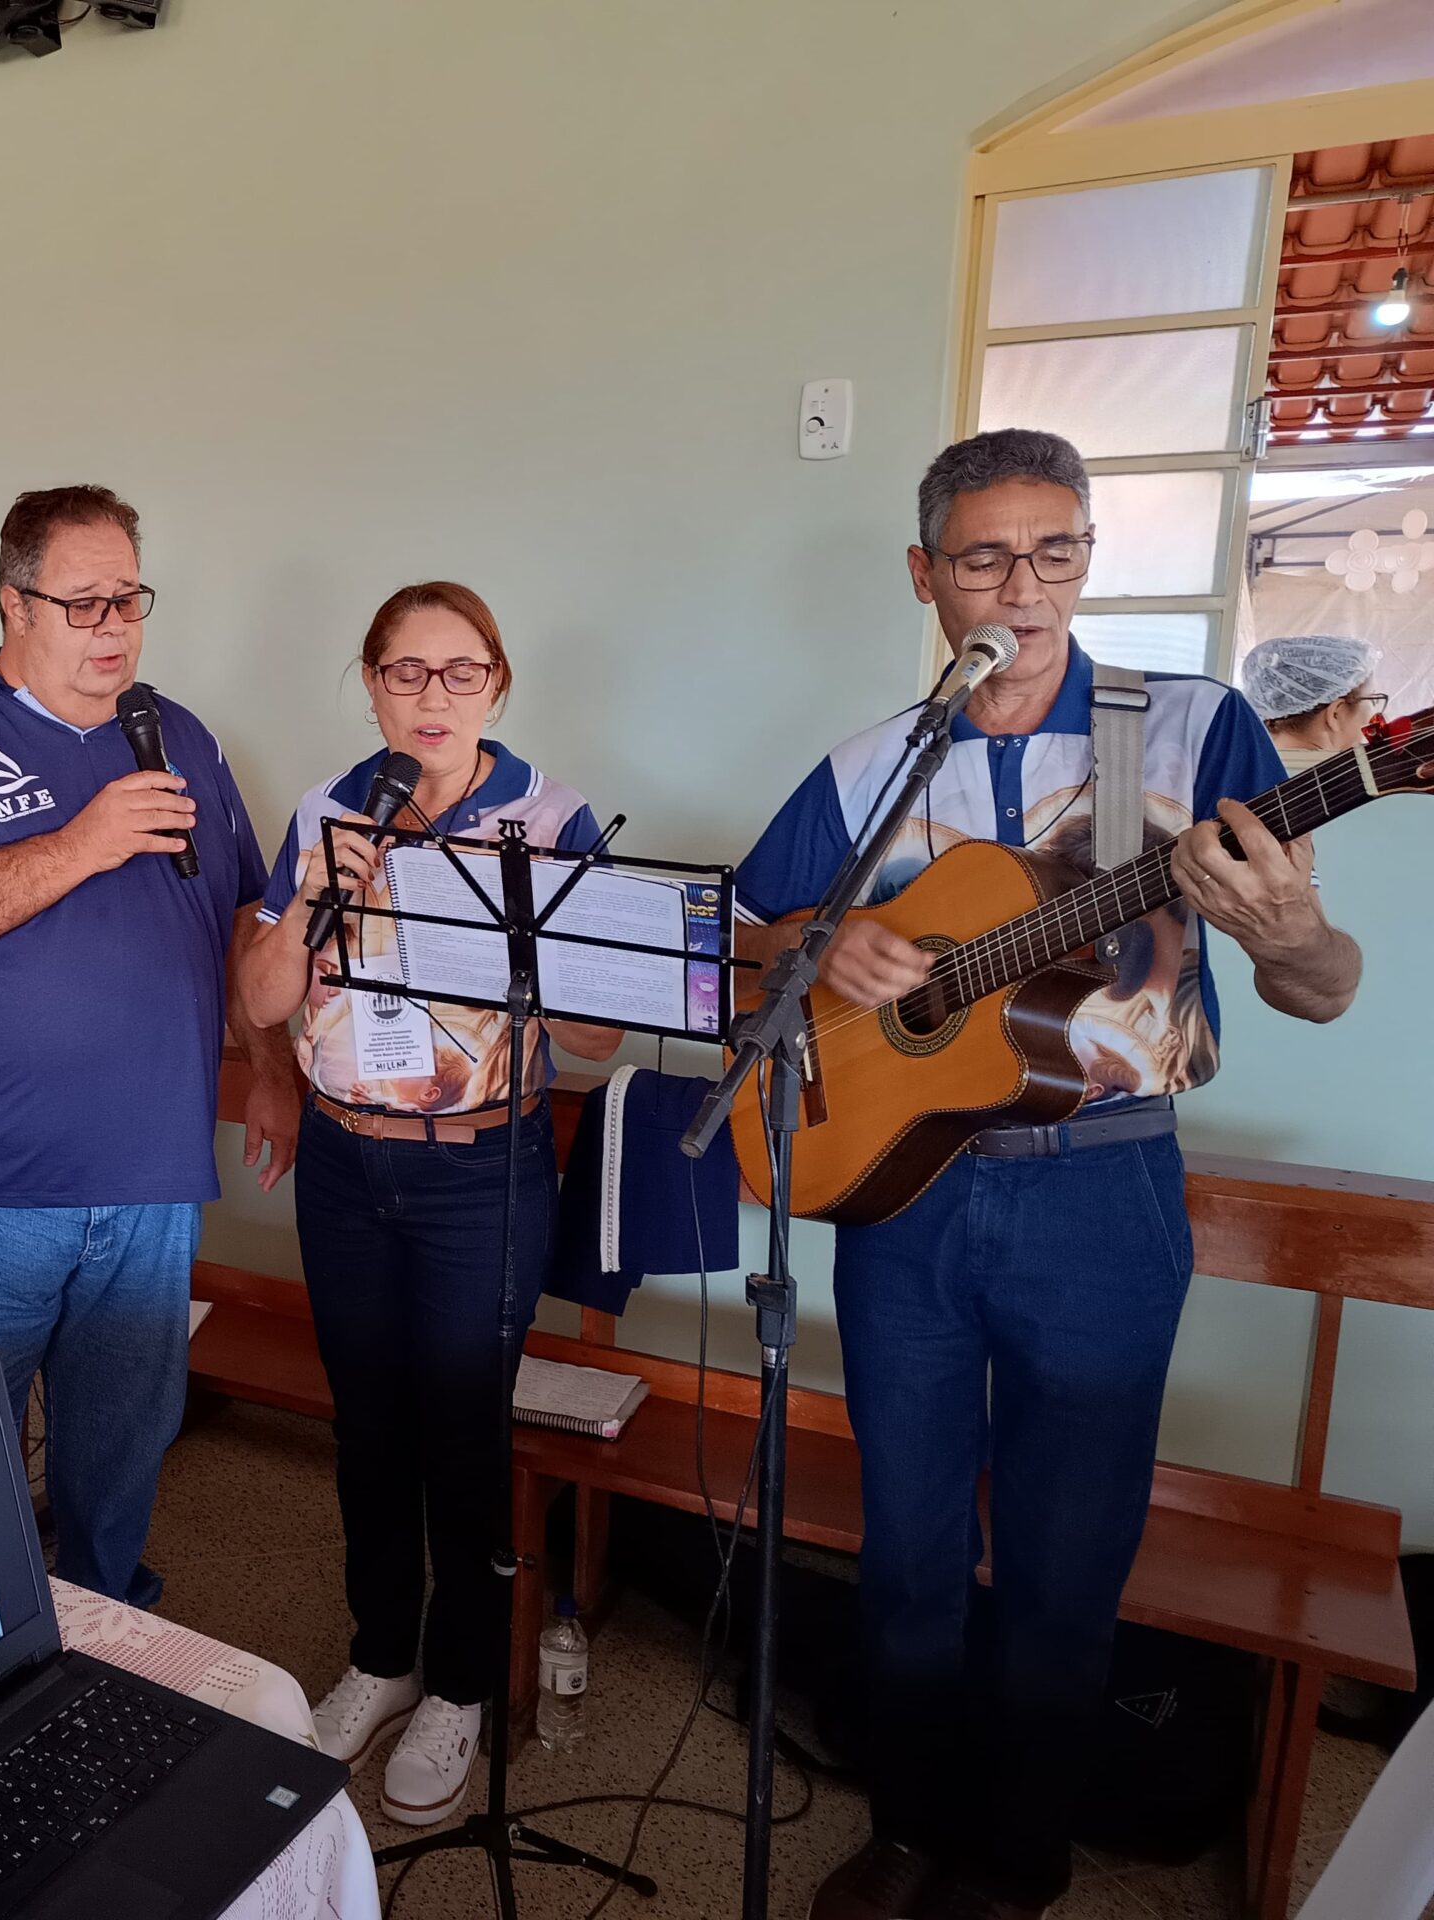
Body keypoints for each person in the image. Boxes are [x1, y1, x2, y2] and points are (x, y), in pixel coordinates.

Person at [735, 430, 1362, 1920]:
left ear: (1087, 554)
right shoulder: (873, 763)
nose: (1023, 587)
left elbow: (1323, 986)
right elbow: (749, 935)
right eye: (983, 557)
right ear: (924, 574)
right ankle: (908, 1823)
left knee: (1066, 1561)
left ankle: (1015, 1862)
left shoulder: (1190, 729)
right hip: (905, 1197)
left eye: (1055, 551)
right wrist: (825, 941)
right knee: (907, 1546)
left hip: (1101, 1193)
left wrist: (1291, 942)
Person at [0, 484, 303, 1610]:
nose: (115, 627)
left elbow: (238, 920)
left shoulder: (179, 736)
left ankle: (103, 1625)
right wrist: (83, 841)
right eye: (84, 602)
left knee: (122, 1445)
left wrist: (273, 1070)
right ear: (14, 603)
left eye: (129, 599)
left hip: (151, 1175)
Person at [234, 580, 623, 1828]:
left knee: (460, 1430)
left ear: (496, 685)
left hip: (478, 1171)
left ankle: (459, 1682)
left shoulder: (551, 820)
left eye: (460, 672)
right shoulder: (327, 808)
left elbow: (599, 1040)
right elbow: (259, 1000)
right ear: (371, 685)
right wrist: (312, 896)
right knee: (366, 1426)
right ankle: (382, 1654)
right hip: (346, 1164)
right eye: (405, 672)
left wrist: (521, 940)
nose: (431, 697)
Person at [1239, 633, 1385, 771]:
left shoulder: (1242, 770)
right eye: (1373, 700)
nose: (1376, 714)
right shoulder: (1345, 783)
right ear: (1336, 714)